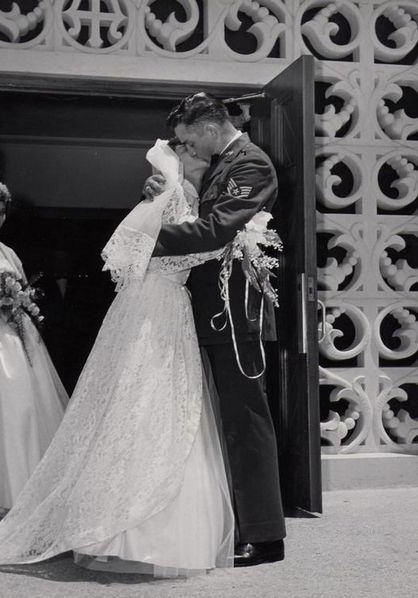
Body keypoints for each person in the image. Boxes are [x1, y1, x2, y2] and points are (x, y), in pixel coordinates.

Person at [0, 139, 234, 577]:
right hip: (157, 306)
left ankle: (135, 531)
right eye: (195, 152)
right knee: (146, 406)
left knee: (154, 408)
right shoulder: (175, 197)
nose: (205, 158)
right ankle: (127, 531)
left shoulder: (178, 197)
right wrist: (234, 239)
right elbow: (154, 251)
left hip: (164, 306)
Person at [144, 93, 286, 567]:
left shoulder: (252, 165)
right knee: (220, 420)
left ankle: (265, 536)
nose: (188, 148)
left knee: (245, 421)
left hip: (235, 311)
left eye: (188, 139)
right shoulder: (221, 163)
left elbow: (216, 231)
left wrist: (142, 235)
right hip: (209, 309)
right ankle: (233, 524)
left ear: (208, 127)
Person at [0, 179, 69, 515]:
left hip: (12, 334)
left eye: (1, 212)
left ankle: (20, 488)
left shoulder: (9, 252)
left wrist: (20, 300)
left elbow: (24, 289)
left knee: (20, 408)